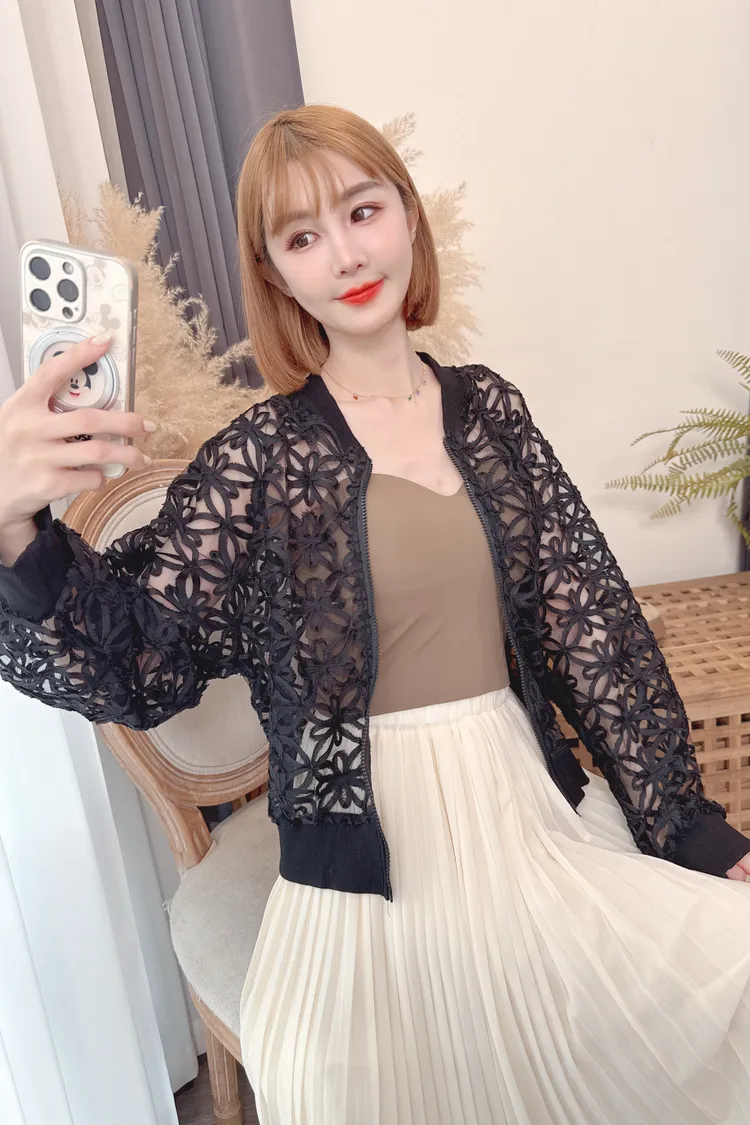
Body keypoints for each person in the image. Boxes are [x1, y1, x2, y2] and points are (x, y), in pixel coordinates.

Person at [1, 104, 750, 1125]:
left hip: (527, 811)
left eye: (362, 211)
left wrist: (687, 825)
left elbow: (590, 632)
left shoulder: (491, 411)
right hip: (364, 856)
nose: (346, 255)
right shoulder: (261, 459)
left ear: (407, 215)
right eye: (302, 236)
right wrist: (17, 530)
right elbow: (136, 660)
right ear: (275, 274)